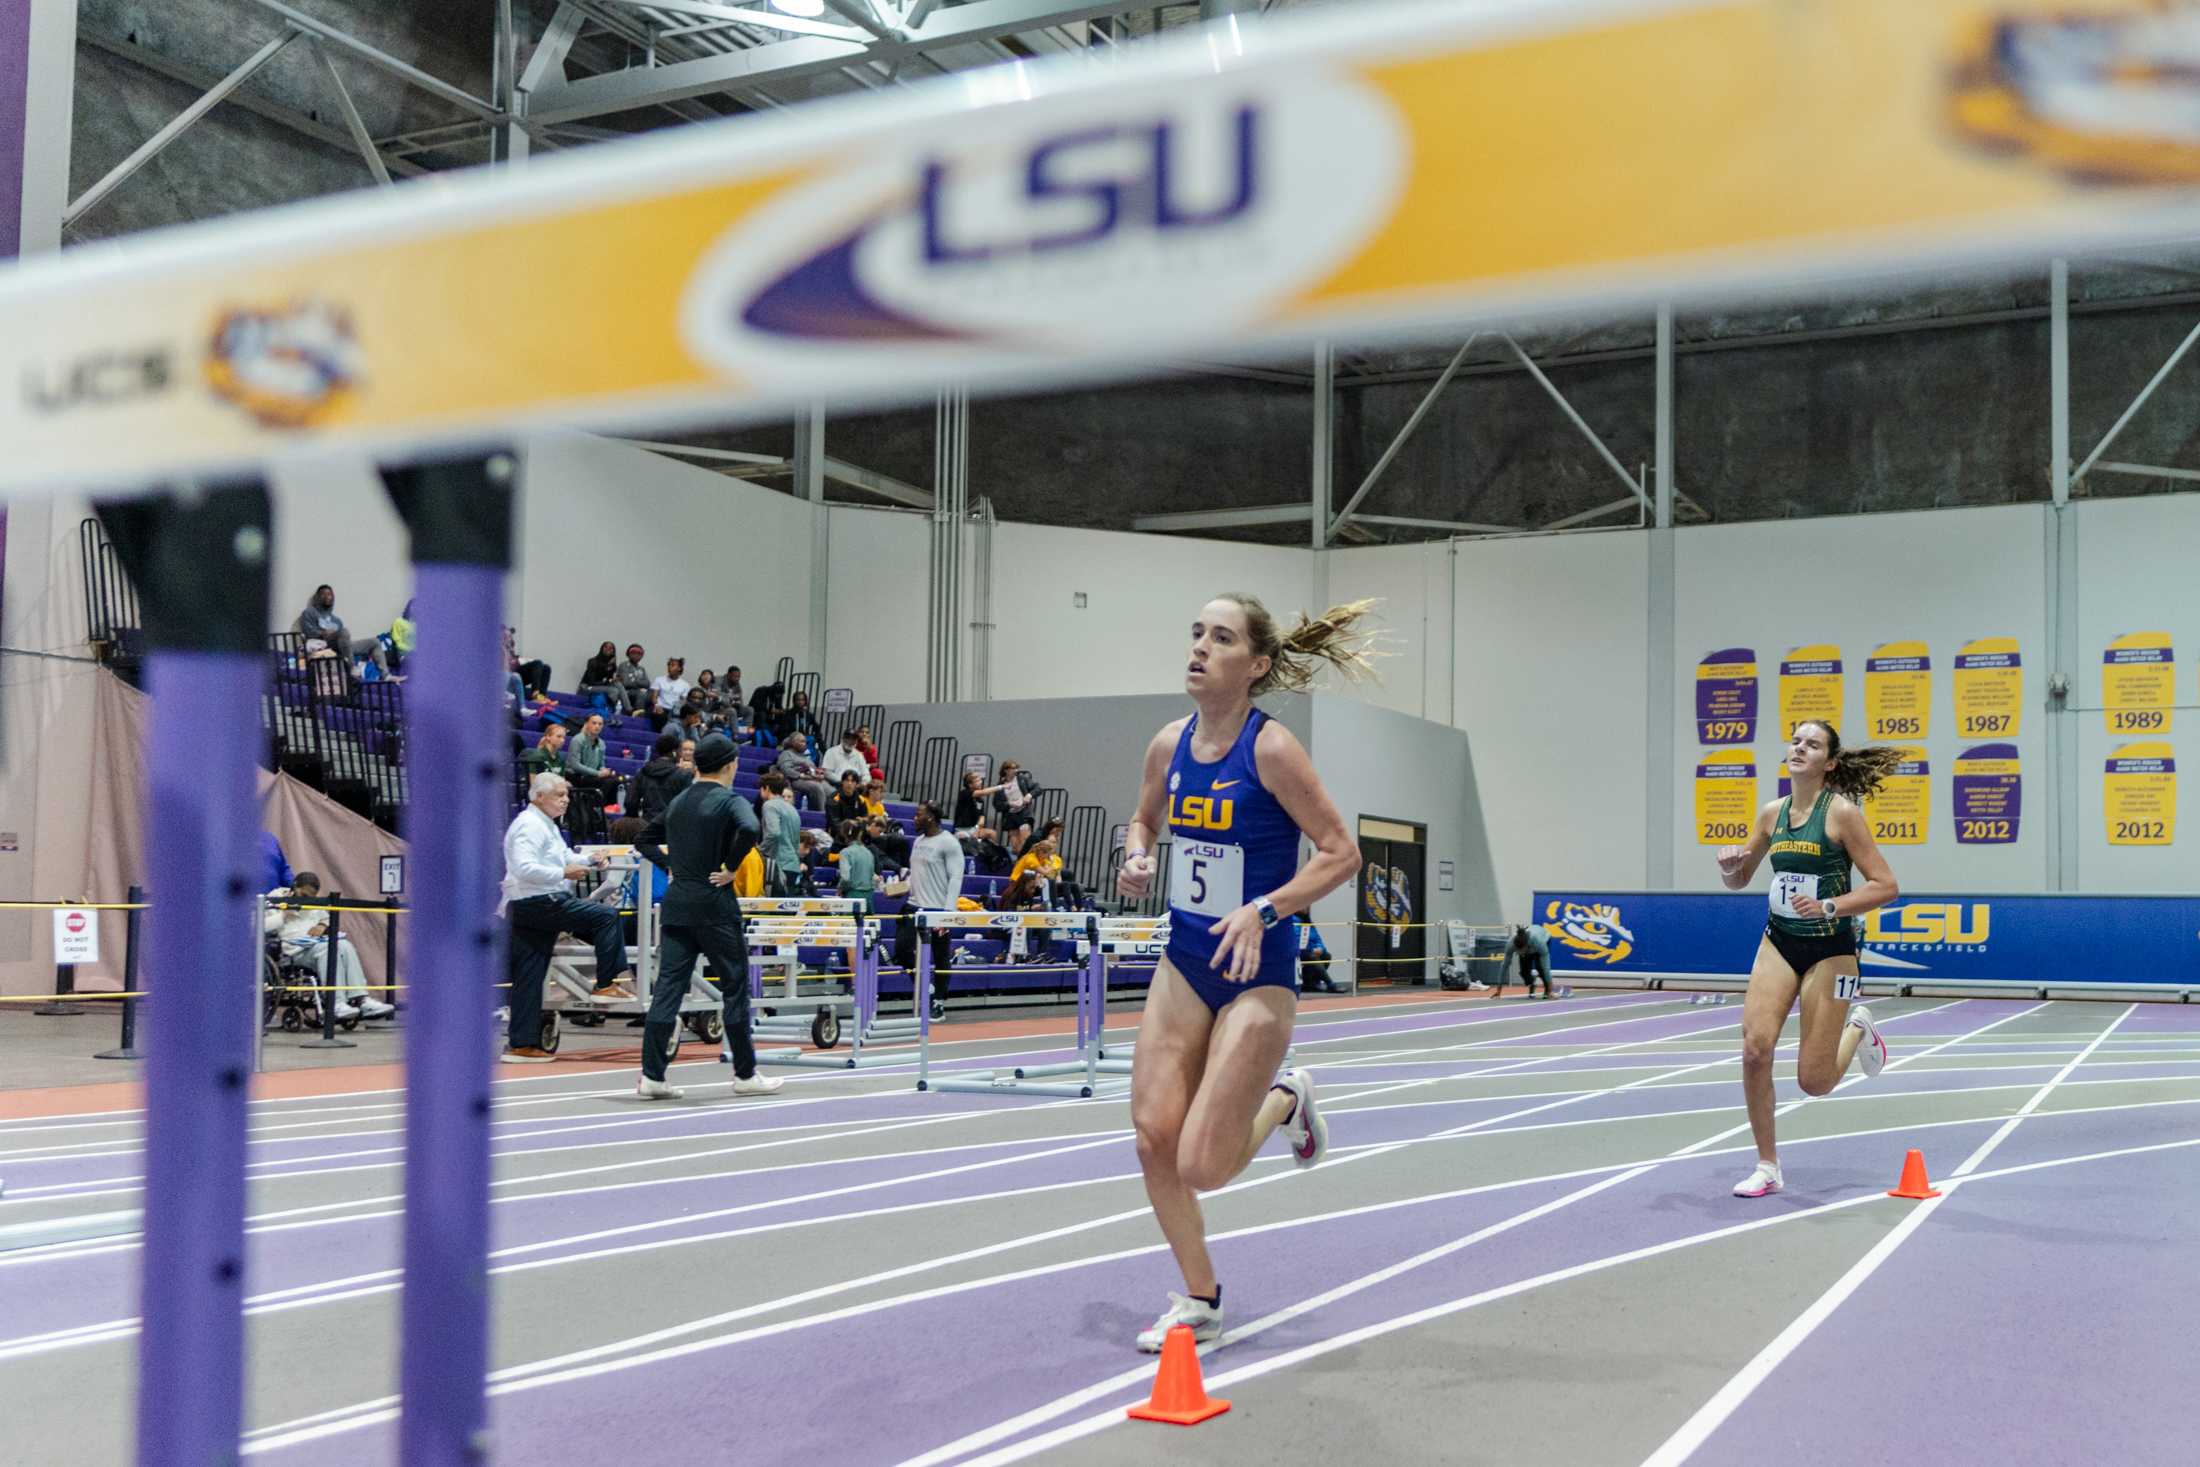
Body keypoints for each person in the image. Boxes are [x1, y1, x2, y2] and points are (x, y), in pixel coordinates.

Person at [1116, 594, 1373, 1352]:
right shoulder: (1167, 745)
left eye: (1220, 638)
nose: (1199, 646)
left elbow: (1341, 852)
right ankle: (1200, 1298)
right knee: (1151, 1137)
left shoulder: (1271, 751)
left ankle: (1287, 1098)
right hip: (1188, 960)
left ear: (1256, 665)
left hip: (1256, 970)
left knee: (1201, 1163)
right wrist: (1137, 853)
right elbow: (1145, 819)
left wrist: (1264, 907)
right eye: (1195, 632)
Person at [1715, 720, 1899, 1198]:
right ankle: (1767, 1165)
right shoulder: (1770, 814)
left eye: (1812, 744)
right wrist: (1730, 871)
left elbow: (1885, 885)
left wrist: (1830, 906)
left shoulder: (1841, 814)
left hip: (1831, 949)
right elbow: (1740, 880)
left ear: (1829, 762)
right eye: (1796, 741)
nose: (1799, 747)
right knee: (1755, 1050)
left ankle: (1857, 1025)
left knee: (1814, 1083)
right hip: (1780, 941)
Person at [630, 734, 784, 1101]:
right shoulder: (728, 800)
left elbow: (644, 838)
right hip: (715, 905)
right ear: (730, 765)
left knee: (668, 988)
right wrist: (731, 867)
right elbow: (750, 828)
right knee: (733, 986)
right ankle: (745, 1074)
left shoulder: (680, 800)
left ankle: (652, 1075)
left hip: (679, 904)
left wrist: (673, 867)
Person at [499, 774, 636, 1062]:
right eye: (559, 794)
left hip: (529, 904)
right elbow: (525, 868)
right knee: (606, 916)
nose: (566, 799)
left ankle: (521, 1044)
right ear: (539, 797)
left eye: (566, 794)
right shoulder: (529, 825)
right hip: (539, 901)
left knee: (530, 975)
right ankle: (606, 984)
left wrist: (590, 860)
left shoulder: (545, 825)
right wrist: (563, 873)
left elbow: (562, 856)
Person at [265, 871, 394, 1020]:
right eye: (304, 895)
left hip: (315, 943)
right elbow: (260, 925)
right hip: (294, 950)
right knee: (327, 950)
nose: (306, 899)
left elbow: (327, 918)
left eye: (310, 897)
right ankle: (336, 1004)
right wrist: (282, 915)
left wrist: (321, 925)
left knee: (345, 945)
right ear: (295, 886)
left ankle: (362, 999)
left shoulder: (312, 902)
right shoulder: (275, 897)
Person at [893, 801, 964, 1021]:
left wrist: (947, 912)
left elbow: (956, 877)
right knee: (902, 950)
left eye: (918, 815)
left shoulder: (949, 843)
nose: (914, 818)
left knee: (940, 956)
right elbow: (915, 874)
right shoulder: (918, 842)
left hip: (937, 909)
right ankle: (927, 988)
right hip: (914, 906)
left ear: (931, 818)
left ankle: (939, 1002)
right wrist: (900, 888)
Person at [296, 584, 387, 676]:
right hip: (322, 645)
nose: (327, 596)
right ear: (317, 597)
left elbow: (344, 640)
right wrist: (323, 633)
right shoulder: (310, 612)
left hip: (339, 648)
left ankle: (386, 675)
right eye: (323, 594)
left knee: (374, 642)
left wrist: (341, 638)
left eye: (329, 594)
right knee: (344, 631)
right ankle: (352, 668)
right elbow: (308, 632)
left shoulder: (337, 621)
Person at [629, 731, 693, 825]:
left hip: (646, 824)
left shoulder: (643, 772)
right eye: (680, 750)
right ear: (674, 752)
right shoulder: (683, 775)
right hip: (671, 827)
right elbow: (688, 806)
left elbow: (630, 801)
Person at [758, 770, 804, 897]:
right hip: (792, 864)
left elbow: (774, 833)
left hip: (778, 865)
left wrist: (759, 851)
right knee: (785, 911)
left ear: (766, 788)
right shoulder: (792, 809)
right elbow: (796, 840)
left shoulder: (769, 805)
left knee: (774, 910)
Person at [774, 733, 833, 813]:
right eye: (802, 742)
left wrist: (819, 774)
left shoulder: (805, 757)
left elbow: (814, 769)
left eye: (805, 742)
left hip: (812, 778)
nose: (805, 744)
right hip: (797, 780)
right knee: (817, 787)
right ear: (793, 742)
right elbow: (786, 770)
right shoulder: (786, 754)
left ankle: (833, 813)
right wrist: (803, 776)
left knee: (833, 792)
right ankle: (821, 815)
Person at [1506, 923, 1553, 999]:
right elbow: (1504, 965)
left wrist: (1551, 989)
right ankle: (1531, 984)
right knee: (1524, 971)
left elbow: (1546, 968)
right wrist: (1499, 988)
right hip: (1526, 946)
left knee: (1541, 968)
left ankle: (1547, 989)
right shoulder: (1513, 942)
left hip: (1541, 943)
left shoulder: (1537, 941)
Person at [578, 642, 624, 713]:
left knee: (618, 684)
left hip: (601, 686)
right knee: (614, 691)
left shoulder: (612, 665)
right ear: (602, 648)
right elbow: (592, 682)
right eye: (606, 647)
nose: (608, 649)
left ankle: (629, 710)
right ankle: (613, 710)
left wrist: (615, 678)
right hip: (587, 687)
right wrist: (609, 679)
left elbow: (609, 678)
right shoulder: (592, 661)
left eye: (611, 648)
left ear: (613, 651)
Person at [614, 644, 654, 715]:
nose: (636, 655)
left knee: (653, 692)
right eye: (633, 653)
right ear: (628, 654)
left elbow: (647, 683)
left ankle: (646, 714)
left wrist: (635, 681)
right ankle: (638, 715)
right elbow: (626, 683)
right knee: (642, 693)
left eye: (639, 653)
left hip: (638, 691)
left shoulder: (641, 668)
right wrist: (640, 683)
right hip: (626, 692)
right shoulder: (624, 665)